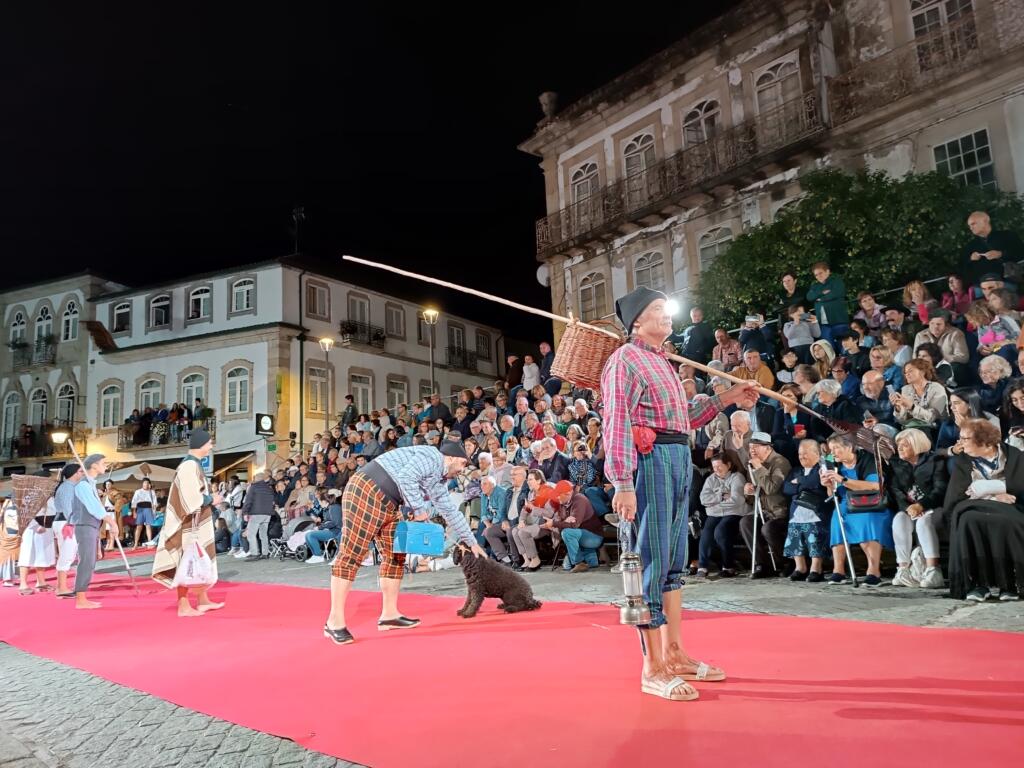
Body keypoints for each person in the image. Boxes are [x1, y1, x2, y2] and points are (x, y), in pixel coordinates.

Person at [601, 285, 759, 701]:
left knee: (673, 560)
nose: (667, 315)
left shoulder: (664, 362)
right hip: (650, 465)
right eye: (657, 310)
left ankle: (674, 652)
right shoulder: (625, 360)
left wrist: (728, 397)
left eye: (666, 308)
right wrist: (621, 482)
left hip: (676, 458)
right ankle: (652, 667)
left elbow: (683, 418)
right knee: (652, 560)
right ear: (637, 321)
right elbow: (616, 421)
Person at [323, 443, 486, 645]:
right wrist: (419, 510)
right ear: (451, 457)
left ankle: (389, 615)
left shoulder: (439, 481)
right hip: (367, 489)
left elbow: (450, 512)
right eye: (463, 463)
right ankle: (334, 622)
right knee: (352, 553)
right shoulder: (432, 455)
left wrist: (471, 542)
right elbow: (406, 477)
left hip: (392, 502)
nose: (463, 469)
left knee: (395, 555)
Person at [943, 418, 1024, 601]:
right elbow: (959, 494)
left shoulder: (1015, 457)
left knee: (1007, 521)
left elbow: (1019, 488)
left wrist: (990, 488)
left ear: (984, 441)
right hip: (974, 507)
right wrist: (994, 495)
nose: (960, 443)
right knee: (968, 520)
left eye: (966, 439)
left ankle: (1009, 584)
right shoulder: (964, 461)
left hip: (1012, 508)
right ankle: (978, 584)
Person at [152, 429, 225, 617]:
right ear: (201, 444)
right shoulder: (188, 466)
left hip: (196, 521)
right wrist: (211, 500)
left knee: (200, 560)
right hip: (188, 524)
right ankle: (183, 606)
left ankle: (202, 600)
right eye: (209, 443)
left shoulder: (194, 465)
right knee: (187, 561)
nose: (211, 447)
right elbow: (190, 498)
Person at [819, 433, 893, 586]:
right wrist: (828, 485)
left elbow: (875, 486)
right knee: (837, 517)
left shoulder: (868, 458)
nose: (832, 453)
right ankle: (838, 570)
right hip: (847, 503)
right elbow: (832, 494)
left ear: (850, 447)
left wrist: (843, 480)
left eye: (836, 448)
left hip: (871, 503)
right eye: (830, 449)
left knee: (867, 520)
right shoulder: (832, 464)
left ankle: (874, 570)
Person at [888, 428, 947, 589]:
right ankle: (903, 569)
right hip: (910, 509)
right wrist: (908, 507)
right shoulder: (896, 464)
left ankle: (933, 569)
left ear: (917, 445)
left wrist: (921, 505)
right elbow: (895, 490)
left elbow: (940, 489)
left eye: (904, 445)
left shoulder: (935, 461)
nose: (899, 448)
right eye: (898, 445)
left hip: (934, 507)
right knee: (899, 519)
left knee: (923, 522)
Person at [71, 454, 119, 609]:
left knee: (90, 561)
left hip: (91, 525)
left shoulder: (90, 484)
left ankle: (82, 596)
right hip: (84, 525)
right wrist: (112, 522)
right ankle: (80, 599)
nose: (105, 465)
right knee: (86, 561)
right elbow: (94, 508)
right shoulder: (83, 485)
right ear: (94, 466)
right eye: (103, 463)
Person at [782, 439, 829, 581]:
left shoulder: (824, 466)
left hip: (816, 512)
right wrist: (804, 484)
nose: (801, 457)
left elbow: (816, 481)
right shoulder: (796, 470)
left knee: (814, 536)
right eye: (799, 454)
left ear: (816, 453)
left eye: (805, 453)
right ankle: (800, 568)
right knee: (795, 535)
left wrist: (800, 482)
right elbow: (786, 488)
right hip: (797, 513)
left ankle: (816, 569)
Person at [696, 453, 748, 577]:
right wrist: (722, 496)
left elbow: (737, 500)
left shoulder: (737, 477)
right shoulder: (711, 479)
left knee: (721, 531)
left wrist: (714, 504)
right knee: (706, 533)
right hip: (715, 514)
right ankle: (702, 566)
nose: (717, 469)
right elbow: (703, 499)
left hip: (734, 513)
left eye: (720, 466)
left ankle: (728, 566)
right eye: (714, 467)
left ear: (728, 465)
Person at [545, 479, 603, 573]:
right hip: (581, 535)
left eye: (559, 494)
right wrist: (563, 522)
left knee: (567, 533)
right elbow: (563, 521)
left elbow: (574, 525)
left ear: (567, 493)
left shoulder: (579, 499)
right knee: (566, 566)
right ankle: (591, 557)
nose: (557, 497)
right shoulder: (563, 503)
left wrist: (554, 523)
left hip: (593, 537)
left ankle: (579, 563)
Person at [17, 472, 57, 595]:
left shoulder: (49, 495)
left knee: (42, 556)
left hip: (47, 528)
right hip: (32, 530)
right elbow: (24, 512)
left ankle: (41, 582)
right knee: (27, 556)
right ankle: (23, 584)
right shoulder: (29, 494)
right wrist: (35, 525)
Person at [510, 468, 554, 572]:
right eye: (528, 480)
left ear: (538, 480)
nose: (528, 482)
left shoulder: (548, 492)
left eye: (531, 479)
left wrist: (534, 508)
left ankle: (535, 559)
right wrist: (521, 521)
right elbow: (525, 509)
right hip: (533, 523)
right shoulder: (532, 493)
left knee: (523, 532)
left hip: (545, 524)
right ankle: (527, 559)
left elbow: (550, 513)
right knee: (515, 531)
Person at [963, 210, 1024, 284]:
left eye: (973, 224)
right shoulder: (971, 246)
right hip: (983, 286)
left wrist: (1001, 254)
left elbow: (1021, 253)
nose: (971, 228)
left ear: (985, 221)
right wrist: (971, 259)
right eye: (969, 226)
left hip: (1009, 281)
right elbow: (963, 268)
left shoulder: (1007, 235)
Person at [52, 463, 83, 597]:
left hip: (67, 521)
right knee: (67, 553)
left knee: (68, 553)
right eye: (81, 471)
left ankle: (61, 586)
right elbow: (68, 509)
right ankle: (61, 587)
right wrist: (73, 523)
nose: (82, 474)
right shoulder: (67, 488)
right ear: (75, 473)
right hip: (66, 522)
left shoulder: (70, 487)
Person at [806, 261, 848, 345]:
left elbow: (836, 293)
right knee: (828, 348)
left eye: (820, 273)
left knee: (844, 346)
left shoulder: (836, 281)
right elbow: (809, 297)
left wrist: (819, 299)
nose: (818, 276)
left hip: (838, 320)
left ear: (827, 271)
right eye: (816, 275)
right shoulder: (815, 286)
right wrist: (822, 293)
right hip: (823, 323)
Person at [240, 471, 275, 560]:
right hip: (268, 514)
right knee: (263, 535)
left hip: (256, 513)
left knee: (251, 534)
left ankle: (254, 554)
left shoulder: (254, 487)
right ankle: (265, 553)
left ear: (256, 479)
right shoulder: (269, 488)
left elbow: (248, 501)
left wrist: (245, 512)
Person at [305, 489, 343, 564]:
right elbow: (327, 521)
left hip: (335, 531)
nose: (319, 504)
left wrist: (320, 527)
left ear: (324, 501)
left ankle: (318, 556)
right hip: (330, 530)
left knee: (310, 535)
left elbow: (335, 522)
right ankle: (316, 555)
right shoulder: (327, 509)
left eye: (319, 502)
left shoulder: (334, 507)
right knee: (308, 535)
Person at [131, 478, 159, 548]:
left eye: (147, 483)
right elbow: (134, 501)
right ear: (142, 483)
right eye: (144, 483)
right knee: (139, 527)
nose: (145, 484)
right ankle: (136, 544)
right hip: (140, 509)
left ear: (149, 484)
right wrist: (134, 512)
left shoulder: (152, 492)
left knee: (148, 526)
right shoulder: (138, 491)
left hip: (148, 509)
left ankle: (150, 543)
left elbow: (154, 503)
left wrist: (154, 511)